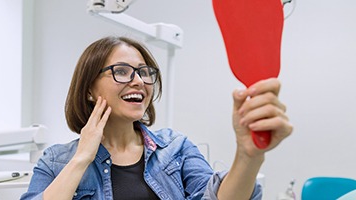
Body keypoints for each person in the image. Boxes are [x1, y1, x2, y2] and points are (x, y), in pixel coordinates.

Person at [20, 36, 292, 200]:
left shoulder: (175, 148)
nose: (138, 81)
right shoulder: (56, 161)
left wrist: (249, 155)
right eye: (122, 71)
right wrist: (82, 157)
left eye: (144, 72)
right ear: (90, 89)